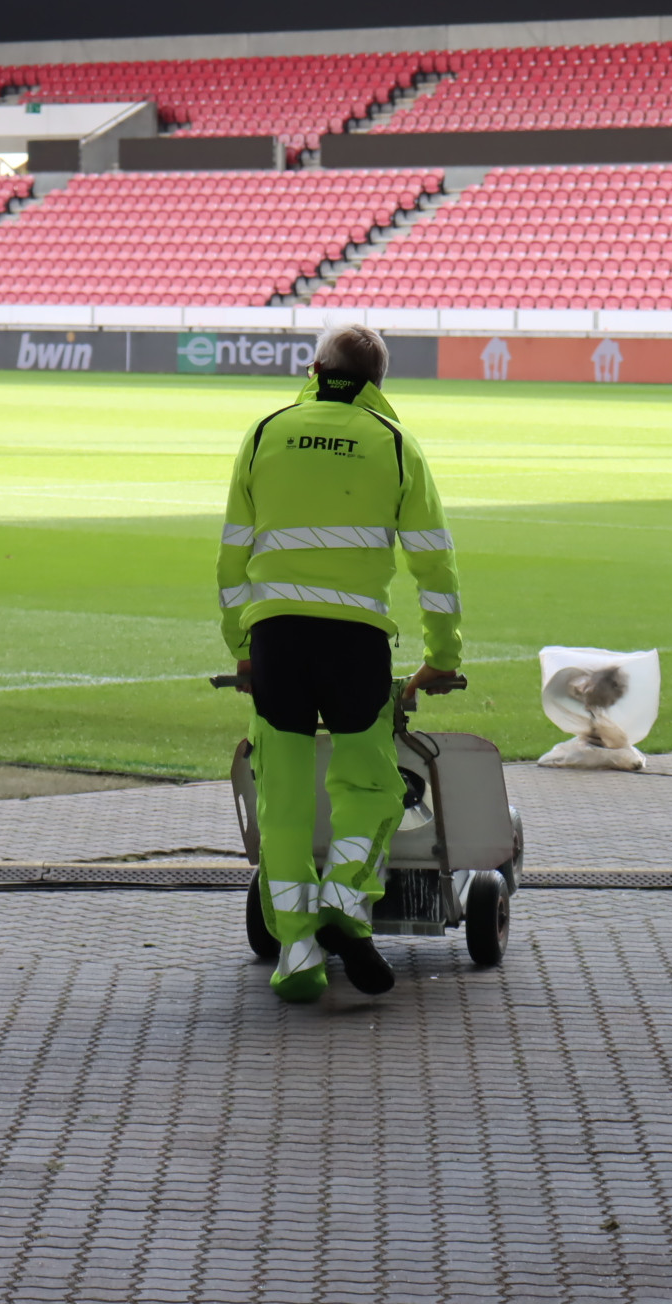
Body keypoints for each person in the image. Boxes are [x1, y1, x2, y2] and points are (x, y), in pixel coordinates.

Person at [217, 324, 462, 1003]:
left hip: (277, 640)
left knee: (284, 800)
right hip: (357, 642)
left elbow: (232, 558)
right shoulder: (395, 443)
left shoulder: (265, 434)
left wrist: (242, 650)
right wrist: (441, 658)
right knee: (372, 787)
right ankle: (345, 904)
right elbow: (435, 564)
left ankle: (297, 955)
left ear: (314, 367)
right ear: (378, 382)